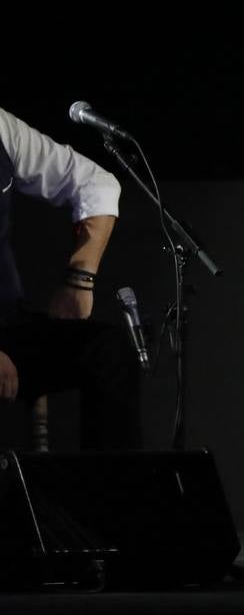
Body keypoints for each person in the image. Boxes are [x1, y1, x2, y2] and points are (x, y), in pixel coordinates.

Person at [0, 105, 141, 449]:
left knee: (107, 351)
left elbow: (96, 184)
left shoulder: (3, 129)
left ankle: (105, 497)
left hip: (6, 327)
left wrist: (80, 278)